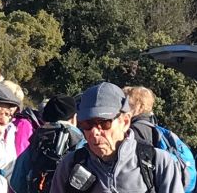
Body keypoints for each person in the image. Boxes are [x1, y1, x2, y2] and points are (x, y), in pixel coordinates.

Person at [50, 82, 187, 193]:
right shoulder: (70, 164)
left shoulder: (158, 163)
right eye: (87, 124)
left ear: (125, 122)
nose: (94, 132)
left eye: (104, 123)